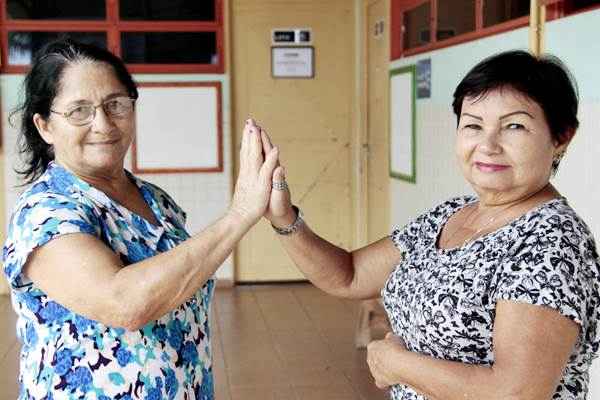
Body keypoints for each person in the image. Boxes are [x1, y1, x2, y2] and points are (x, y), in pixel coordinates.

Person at [259, 50, 600, 399]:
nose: (488, 144)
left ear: (561, 137)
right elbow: (350, 275)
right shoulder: (450, 214)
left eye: (514, 126)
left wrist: (396, 364)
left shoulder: (551, 243)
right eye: (473, 125)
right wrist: (284, 217)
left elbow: (514, 393)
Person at [2, 39, 279, 399]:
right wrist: (241, 212)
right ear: (45, 127)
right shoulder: (44, 211)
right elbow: (124, 304)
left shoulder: (155, 200)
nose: (102, 124)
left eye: (115, 105)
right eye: (79, 111)